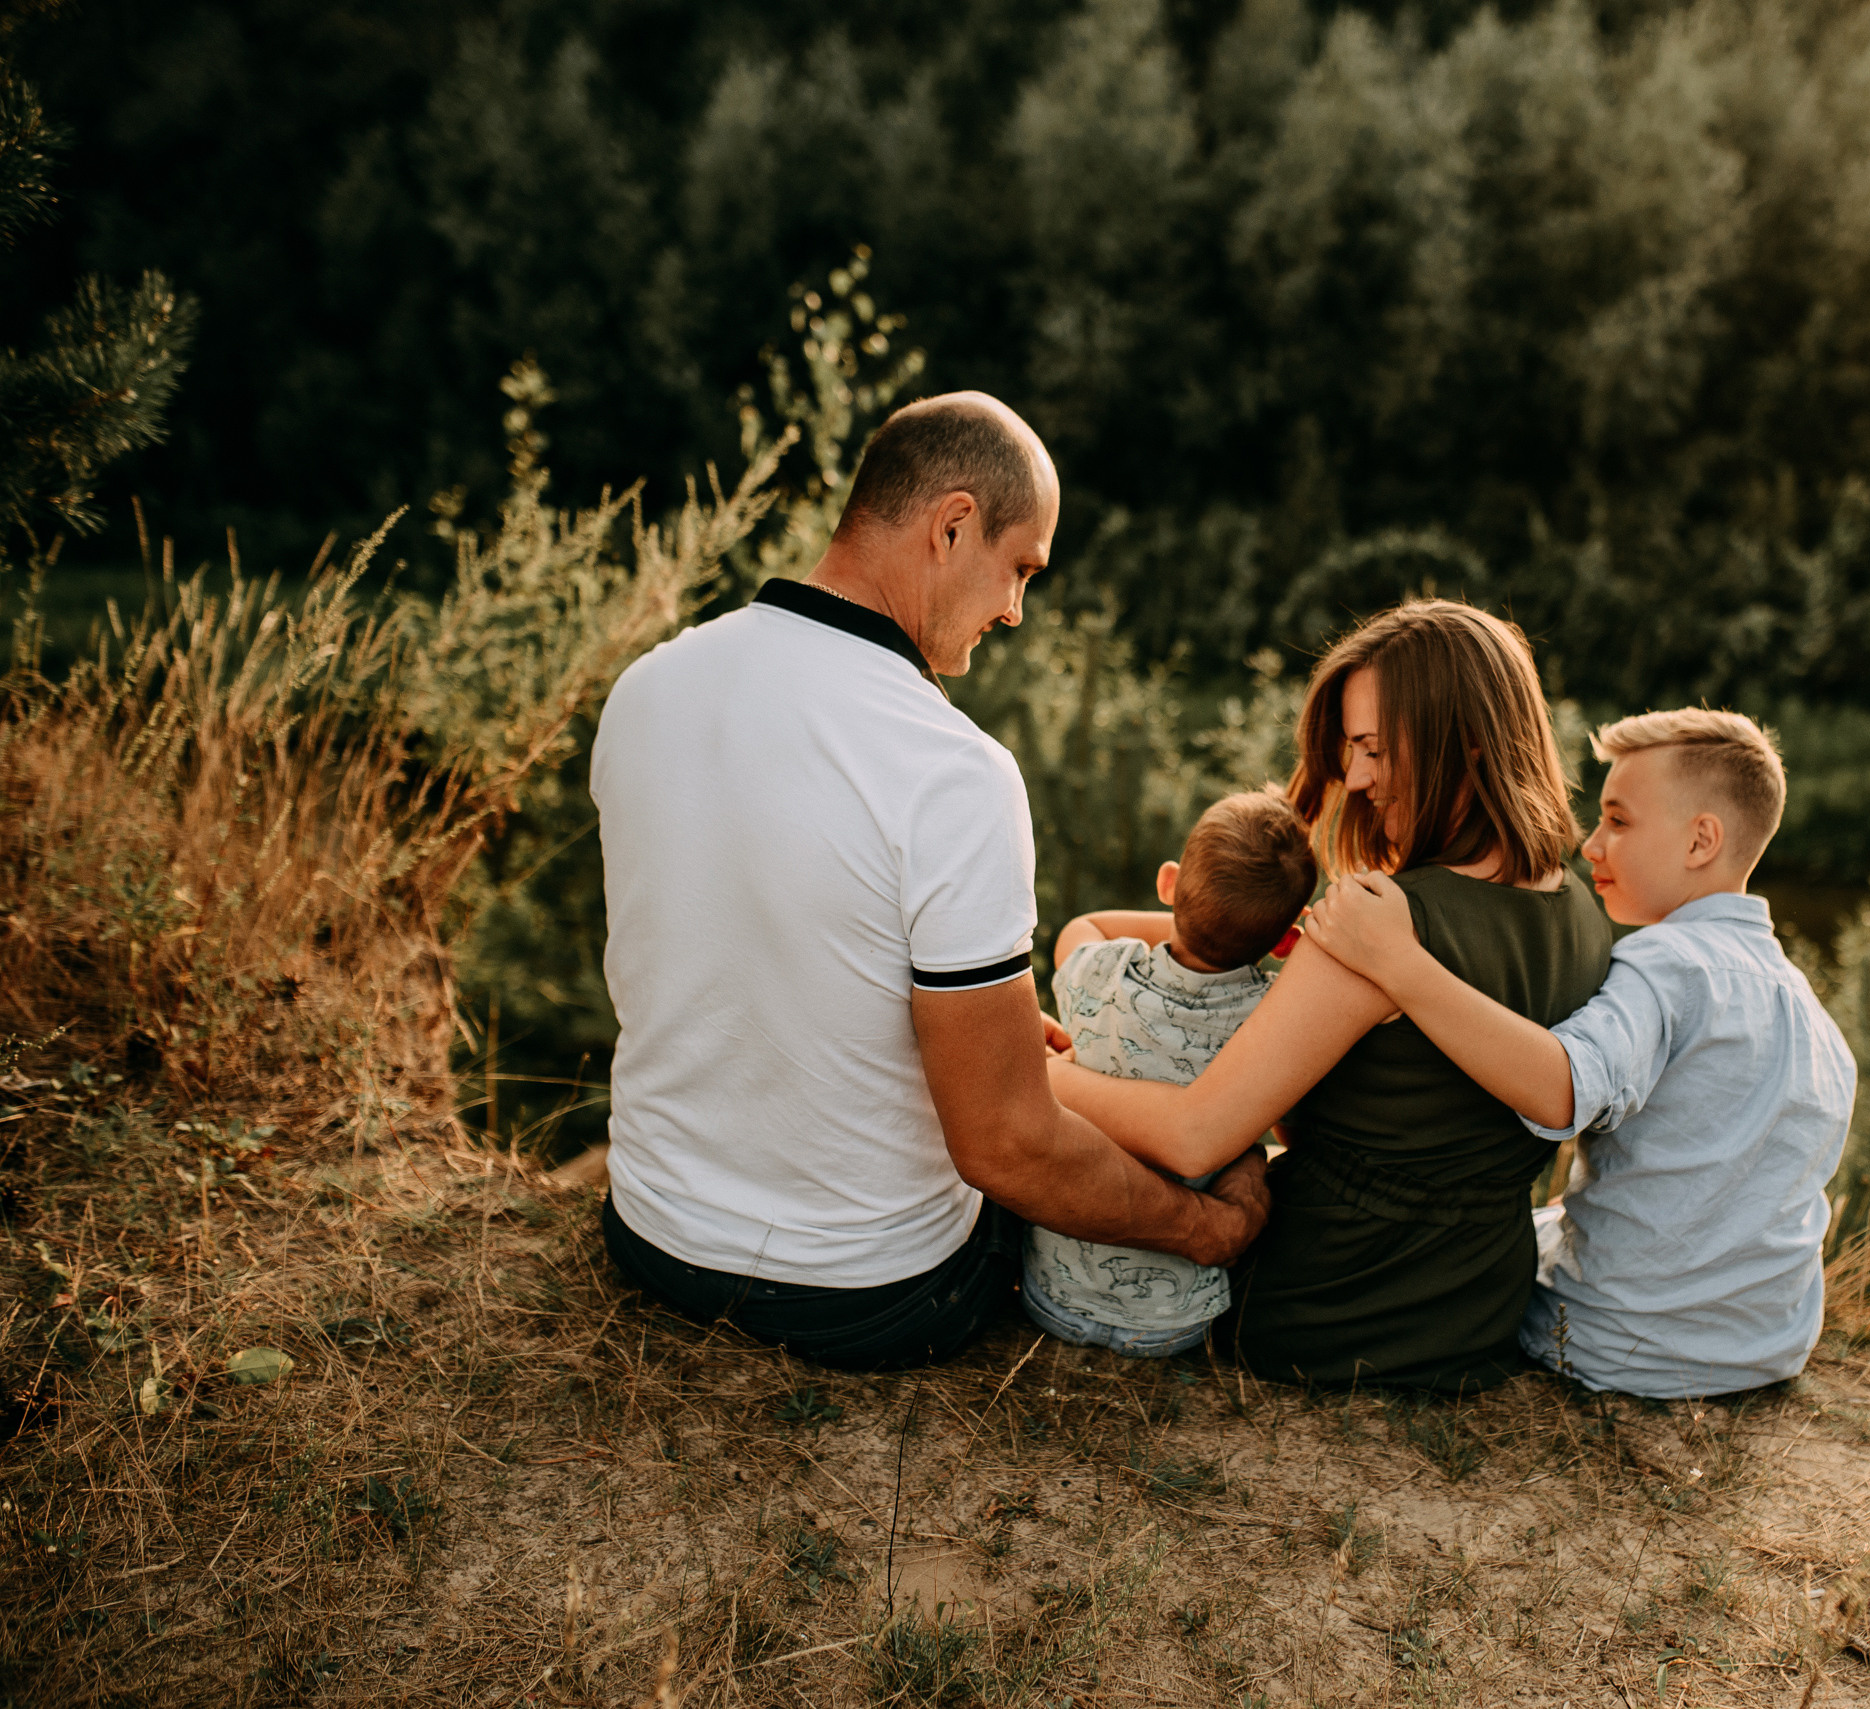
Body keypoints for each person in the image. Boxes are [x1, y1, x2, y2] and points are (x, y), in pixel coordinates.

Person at [588, 391, 1269, 1371]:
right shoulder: (954, 770)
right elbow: (1007, 1147)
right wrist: (1206, 1230)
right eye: (1019, 567)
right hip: (865, 1293)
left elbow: (727, 947)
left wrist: (964, 1027)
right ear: (953, 523)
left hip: (653, 1233)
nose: (1015, 610)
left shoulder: (648, 686)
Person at [1046, 600, 1615, 1392]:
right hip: (1474, 1312)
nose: (1355, 778)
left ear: (1468, 743)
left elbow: (1193, 1137)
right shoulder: (1582, 909)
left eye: (1375, 749)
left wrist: (1041, 1077)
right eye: (1348, 751)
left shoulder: (1384, 930)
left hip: (1323, 1304)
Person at [1302, 708, 1857, 1399]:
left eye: (1619, 822)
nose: (1589, 845)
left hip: (1621, 1344)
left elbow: (1562, 1087)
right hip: (1765, 1348)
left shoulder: (1666, 965)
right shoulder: (1815, 1018)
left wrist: (1399, 963)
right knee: (1546, 1223)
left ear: (1701, 840)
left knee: (1480, 1251)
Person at [1023, 789, 1319, 1357]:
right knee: (1248, 1154)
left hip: (1052, 1295)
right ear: (1285, 938)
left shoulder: (1099, 969)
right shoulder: (1274, 1022)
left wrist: (1198, 908)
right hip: (1172, 1323)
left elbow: (1082, 926)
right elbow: (1292, 1132)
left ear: (1167, 885)